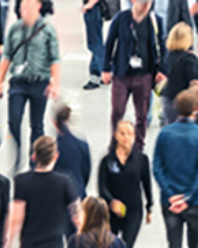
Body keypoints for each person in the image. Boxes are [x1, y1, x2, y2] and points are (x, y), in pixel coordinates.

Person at [0, 0, 60, 173]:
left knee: (37, 125)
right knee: (14, 119)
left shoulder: (47, 29)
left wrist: (55, 81)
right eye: (22, 6)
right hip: (18, 82)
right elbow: (7, 56)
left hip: (39, 82)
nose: (24, 10)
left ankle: (35, 161)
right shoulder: (14, 29)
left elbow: (54, 58)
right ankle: (17, 156)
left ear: (38, 6)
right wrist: (0, 81)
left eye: (28, 6)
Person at [153, 89, 198, 248]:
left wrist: (170, 193)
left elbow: (157, 166)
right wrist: (188, 197)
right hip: (194, 203)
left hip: (169, 202)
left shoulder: (165, 134)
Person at [102, 0, 166, 151]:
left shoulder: (155, 21)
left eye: (148, 2)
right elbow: (110, 43)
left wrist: (163, 70)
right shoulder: (121, 19)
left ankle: (139, 146)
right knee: (117, 111)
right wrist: (105, 69)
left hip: (144, 75)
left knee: (142, 115)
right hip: (122, 74)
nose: (145, 5)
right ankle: (115, 143)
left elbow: (163, 47)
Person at [97, 120, 153, 248]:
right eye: (122, 133)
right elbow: (102, 186)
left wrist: (149, 207)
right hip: (111, 212)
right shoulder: (107, 160)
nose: (126, 137)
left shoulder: (141, 159)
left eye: (129, 134)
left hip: (133, 210)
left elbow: (146, 183)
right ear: (116, 135)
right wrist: (111, 201)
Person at [52, 104, 91, 203]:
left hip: (57, 196)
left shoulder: (53, 148)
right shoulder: (82, 144)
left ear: (54, 122)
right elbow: (86, 171)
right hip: (78, 192)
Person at [160, 22, 198, 125]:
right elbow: (194, 82)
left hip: (167, 98)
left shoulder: (167, 57)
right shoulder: (189, 59)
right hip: (184, 102)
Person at [81, 0, 105, 90]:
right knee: (95, 42)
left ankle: (97, 74)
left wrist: (90, 4)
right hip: (93, 7)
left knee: (95, 43)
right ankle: (101, 71)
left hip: (94, 7)